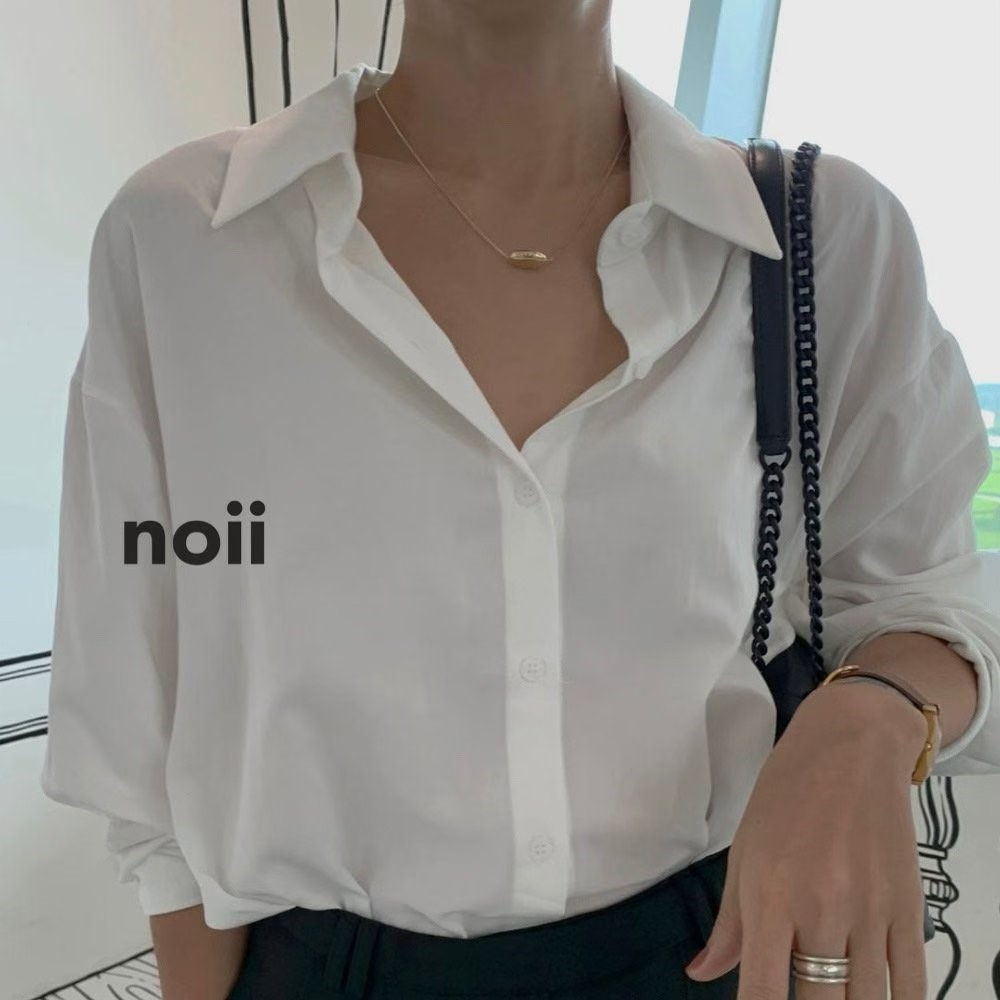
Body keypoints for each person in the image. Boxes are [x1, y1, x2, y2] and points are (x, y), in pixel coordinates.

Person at [40, 1, 1000, 998]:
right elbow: (141, 698)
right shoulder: (187, 239)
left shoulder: (812, 239)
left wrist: (869, 717)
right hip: (317, 965)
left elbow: (932, 599)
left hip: (704, 948)